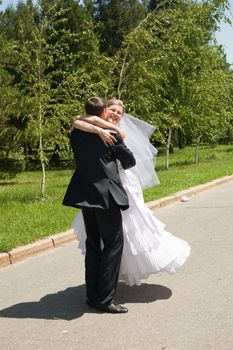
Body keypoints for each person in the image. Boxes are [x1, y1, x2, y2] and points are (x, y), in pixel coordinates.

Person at [72, 98, 191, 286]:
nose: (115, 114)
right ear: (104, 110)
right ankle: (105, 281)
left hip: (123, 185)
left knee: (130, 230)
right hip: (100, 188)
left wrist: (99, 127)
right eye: (112, 110)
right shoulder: (87, 126)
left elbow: (126, 156)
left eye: (119, 113)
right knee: (109, 237)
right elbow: (77, 120)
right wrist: (98, 128)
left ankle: (108, 280)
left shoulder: (117, 133)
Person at [63, 97, 136, 313]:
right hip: (107, 196)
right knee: (113, 245)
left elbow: (77, 121)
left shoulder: (76, 132)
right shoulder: (111, 134)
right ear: (103, 112)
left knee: (94, 244)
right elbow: (130, 161)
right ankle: (104, 299)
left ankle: (92, 294)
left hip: (86, 194)